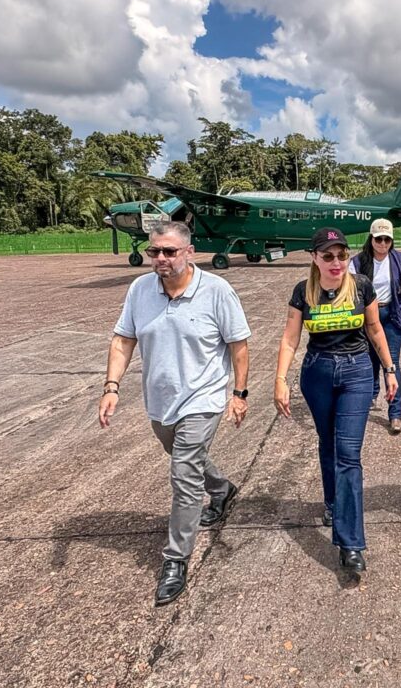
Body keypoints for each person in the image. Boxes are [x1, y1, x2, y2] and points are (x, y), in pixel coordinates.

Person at [98, 221, 251, 606]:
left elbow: (239, 346)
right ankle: (221, 488)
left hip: (203, 398)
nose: (161, 259)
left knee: (183, 473)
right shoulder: (140, 290)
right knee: (184, 456)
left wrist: (239, 393)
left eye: (169, 251)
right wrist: (111, 387)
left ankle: (175, 559)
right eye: (155, 252)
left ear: (189, 252)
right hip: (161, 401)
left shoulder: (217, 291)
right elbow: (123, 340)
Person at [274, 227, 398, 573]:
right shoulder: (304, 292)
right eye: (327, 255)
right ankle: (331, 500)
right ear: (314, 257)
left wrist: (389, 370)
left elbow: (375, 329)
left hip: (357, 372)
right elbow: (289, 339)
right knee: (327, 443)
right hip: (318, 373)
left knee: (348, 454)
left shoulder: (361, 286)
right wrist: (280, 380)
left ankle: (351, 543)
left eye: (341, 255)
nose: (336, 262)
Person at [349, 218, 401, 434]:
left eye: (387, 239)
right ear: (371, 239)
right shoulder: (358, 262)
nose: (383, 244)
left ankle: (395, 413)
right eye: (378, 239)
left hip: (391, 314)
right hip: (367, 318)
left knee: (391, 363)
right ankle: (371, 394)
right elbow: (350, 293)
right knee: (368, 358)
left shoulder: (400, 259)